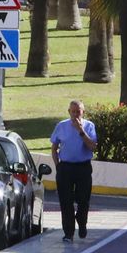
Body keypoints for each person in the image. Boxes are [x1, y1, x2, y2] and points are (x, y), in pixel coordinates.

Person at [51, 99, 98, 241]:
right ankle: (68, 233)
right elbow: (54, 147)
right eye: (73, 111)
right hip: (65, 168)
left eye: (79, 111)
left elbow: (92, 146)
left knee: (83, 200)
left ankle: (82, 223)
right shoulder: (61, 126)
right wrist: (57, 165)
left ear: (83, 112)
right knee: (66, 202)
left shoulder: (89, 126)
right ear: (69, 112)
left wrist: (81, 131)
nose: (76, 114)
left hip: (83, 167)